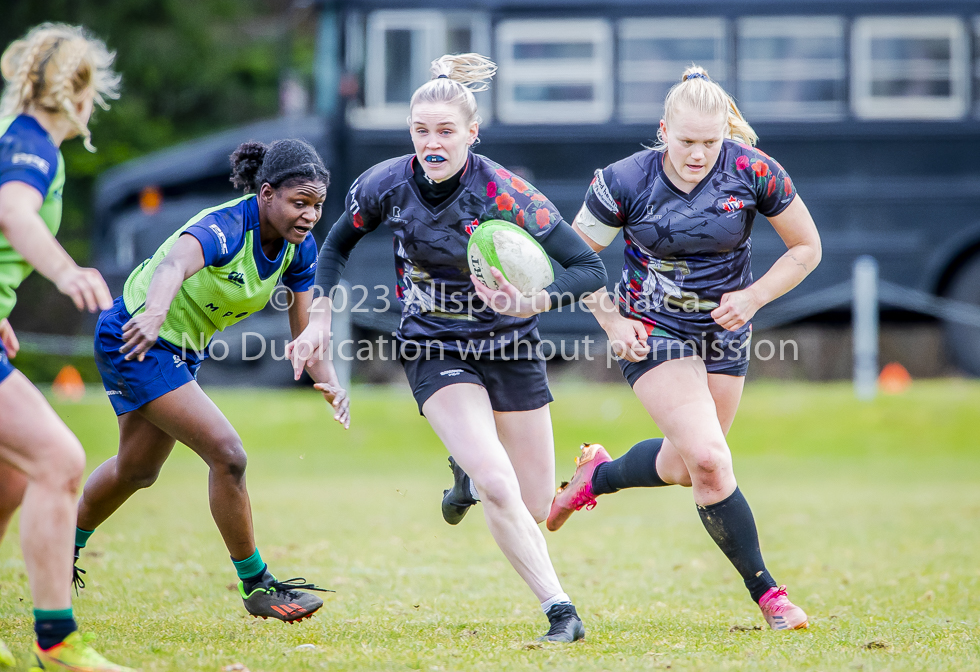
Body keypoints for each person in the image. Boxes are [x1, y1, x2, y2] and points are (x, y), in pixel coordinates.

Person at [287, 54, 606, 642]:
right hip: (434, 345)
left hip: (511, 346)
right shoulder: (385, 184)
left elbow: (589, 267)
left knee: (535, 504)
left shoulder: (506, 193)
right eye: (421, 131)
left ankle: (463, 469)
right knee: (498, 483)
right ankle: (561, 611)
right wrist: (318, 321)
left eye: (445, 131)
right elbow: (332, 250)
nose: (432, 144)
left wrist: (531, 303)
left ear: (471, 133)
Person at [548, 66, 822, 631]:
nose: (698, 155)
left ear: (726, 133)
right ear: (663, 129)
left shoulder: (751, 170)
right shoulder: (625, 180)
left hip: (725, 329)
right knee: (710, 461)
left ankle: (595, 476)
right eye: (686, 142)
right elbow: (576, 259)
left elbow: (806, 247)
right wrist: (611, 320)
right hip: (652, 331)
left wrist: (753, 298)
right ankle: (771, 597)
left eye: (710, 142)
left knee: (683, 465)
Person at [73, 138, 348, 624]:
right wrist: (155, 312)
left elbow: (305, 334)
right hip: (137, 337)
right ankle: (256, 582)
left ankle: (59, 543)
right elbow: (173, 264)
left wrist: (327, 380)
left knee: (137, 471)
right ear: (266, 194)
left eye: (317, 205)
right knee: (228, 455)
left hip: (178, 349)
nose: (309, 215)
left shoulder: (297, 248)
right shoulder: (225, 227)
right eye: (299, 202)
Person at [0, 22, 134, 671]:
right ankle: (56, 640)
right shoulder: (31, 145)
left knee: (10, 476)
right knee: (59, 459)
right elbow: (13, 213)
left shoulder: (14, 138)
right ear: (79, 93)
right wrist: (65, 271)